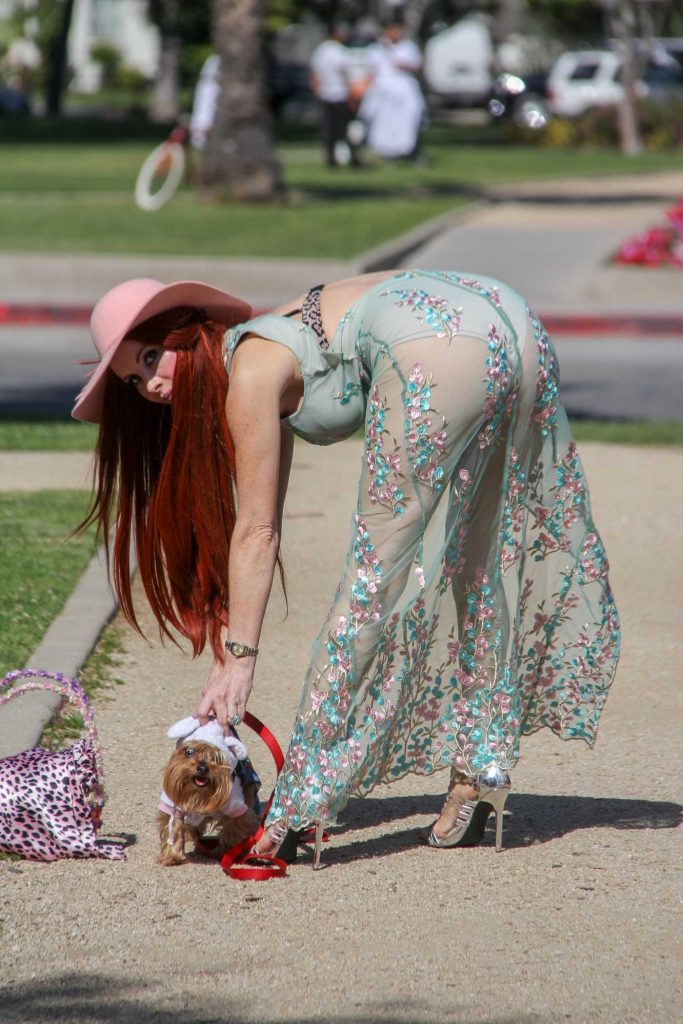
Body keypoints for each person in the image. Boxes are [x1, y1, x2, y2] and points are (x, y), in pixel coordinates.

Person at [72, 269, 620, 866]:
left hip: (434, 347)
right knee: (479, 568)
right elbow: (264, 521)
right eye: (133, 377)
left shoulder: (248, 370)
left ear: (190, 331)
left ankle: (293, 808)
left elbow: (256, 530)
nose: (150, 383)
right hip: (509, 319)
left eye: (153, 355)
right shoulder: (266, 339)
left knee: (369, 586)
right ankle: (477, 773)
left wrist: (239, 664)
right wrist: (233, 649)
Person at [359, 20, 426, 161]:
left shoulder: (408, 47)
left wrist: (404, 65)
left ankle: (408, 150)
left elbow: (417, 65)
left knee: (409, 119)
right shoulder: (377, 49)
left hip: (404, 89)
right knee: (384, 122)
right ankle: (387, 152)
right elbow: (371, 71)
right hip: (384, 91)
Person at [309, 22, 359, 167]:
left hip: (325, 95)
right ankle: (352, 158)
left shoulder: (320, 51)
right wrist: (352, 94)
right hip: (340, 94)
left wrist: (317, 90)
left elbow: (314, 74)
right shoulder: (340, 51)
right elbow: (345, 74)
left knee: (329, 129)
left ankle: (331, 158)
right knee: (345, 129)